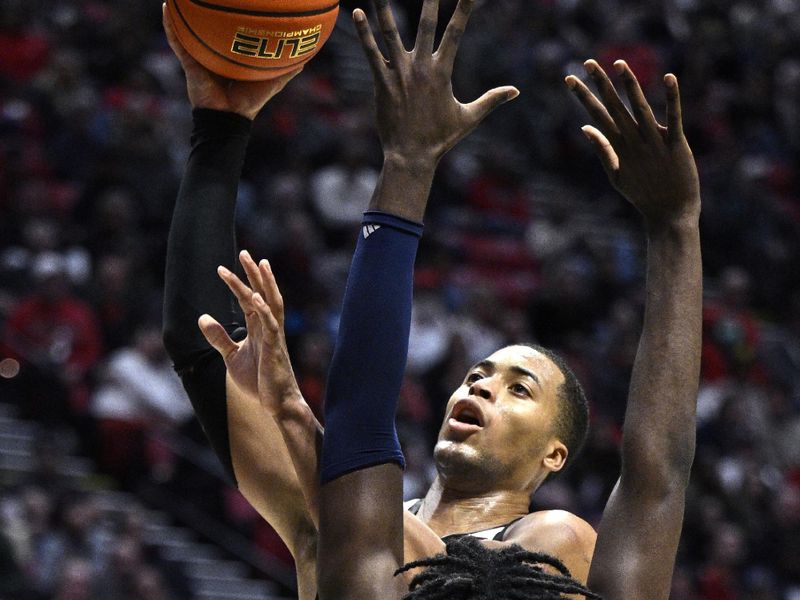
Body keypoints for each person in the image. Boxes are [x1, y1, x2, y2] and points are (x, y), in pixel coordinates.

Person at [162, 0, 701, 597]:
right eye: (479, 374)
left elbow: (657, 477)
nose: (480, 387)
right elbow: (201, 341)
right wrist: (219, 130)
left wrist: (410, 162)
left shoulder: (555, 541)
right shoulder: (342, 523)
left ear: (555, 455)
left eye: (519, 389)